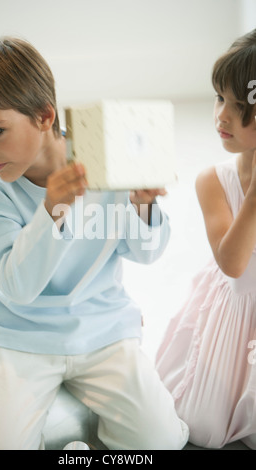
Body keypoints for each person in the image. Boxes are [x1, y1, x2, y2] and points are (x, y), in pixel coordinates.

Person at [0, 37, 188, 450]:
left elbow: (145, 253)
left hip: (102, 329)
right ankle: (65, 415)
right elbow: (18, 286)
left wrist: (142, 206)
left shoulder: (101, 161)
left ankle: (72, 415)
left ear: (45, 116)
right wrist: (54, 209)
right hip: (21, 337)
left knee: (161, 441)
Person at [155, 29, 256, 449]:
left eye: (239, 106)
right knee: (202, 427)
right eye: (219, 99)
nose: (221, 117)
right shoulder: (214, 180)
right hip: (234, 312)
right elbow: (232, 264)